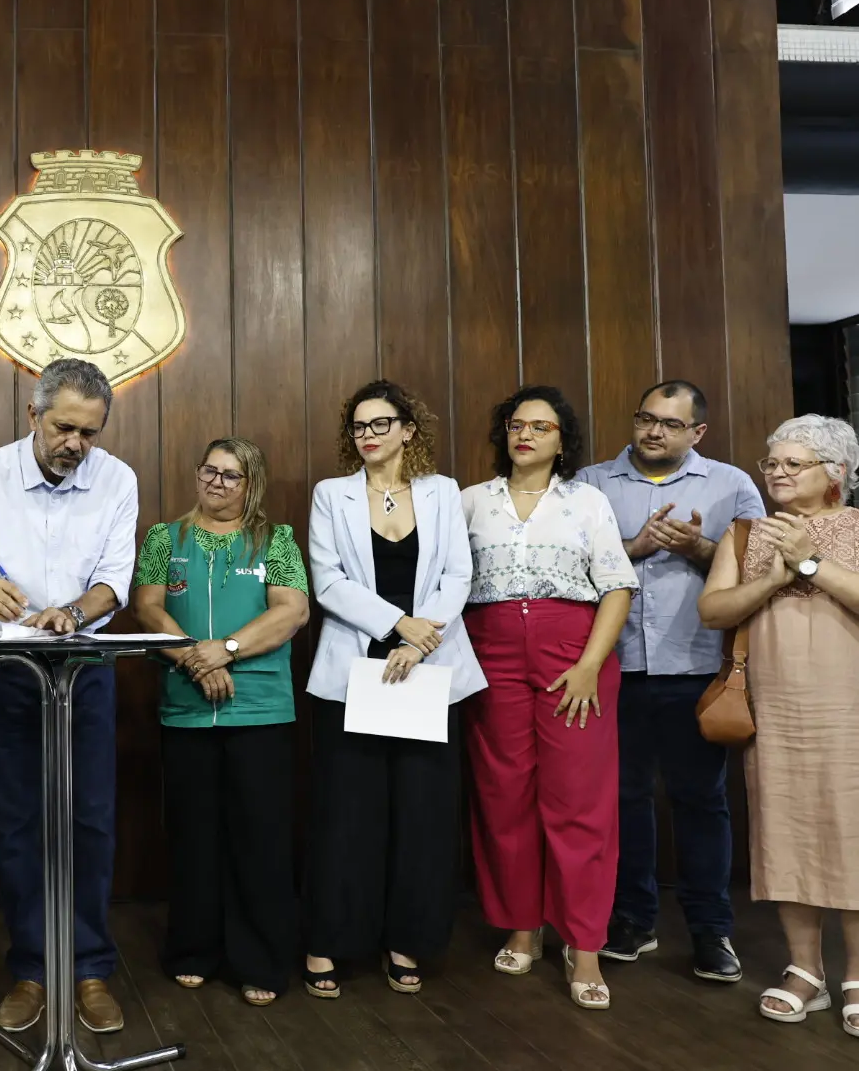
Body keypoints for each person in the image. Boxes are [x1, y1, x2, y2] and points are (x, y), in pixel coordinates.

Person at [0, 358, 139, 1034]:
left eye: (88, 433)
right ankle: (30, 969)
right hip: (9, 670)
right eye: (63, 428)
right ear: (34, 415)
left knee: (90, 820)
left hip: (82, 665)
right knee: (20, 824)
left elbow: (115, 580)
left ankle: (88, 970)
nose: (75, 445)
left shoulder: (116, 479)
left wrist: (73, 615)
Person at [303, 381, 486, 998]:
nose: (369, 436)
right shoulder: (332, 495)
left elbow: (460, 573)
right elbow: (326, 582)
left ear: (410, 429)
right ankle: (330, 941)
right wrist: (395, 624)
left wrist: (419, 638)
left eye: (381, 424)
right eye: (359, 427)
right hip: (355, 670)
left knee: (421, 816)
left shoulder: (442, 493)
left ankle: (406, 940)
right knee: (347, 815)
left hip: (427, 669)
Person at [577, 381, 762, 982]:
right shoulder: (591, 484)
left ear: (697, 433)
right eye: (646, 419)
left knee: (701, 802)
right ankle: (633, 921)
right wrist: (633, 547)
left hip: (695, 666)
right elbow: (568, 570)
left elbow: (758, 574)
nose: (654, 432)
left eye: (670, 424)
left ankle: (712, 933)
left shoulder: (731, 484)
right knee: (623, 801)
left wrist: (702, 548)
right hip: (614, 666)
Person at [461, 385, 636, 1010]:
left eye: (541, 425)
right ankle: (522, 926)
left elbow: (616, 585)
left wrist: (591, 663)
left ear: (564, 440)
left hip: (574, 656)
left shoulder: (586, 500)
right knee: (504, 794)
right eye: (515, 424)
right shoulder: (469, 502)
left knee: (579, 802)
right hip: (492, 653)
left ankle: (585, 945)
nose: (525, 434)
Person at [131, 437, 307, 1006]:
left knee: (260, 838)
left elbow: (291, 611)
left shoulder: (275, 539)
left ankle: (260, 960)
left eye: (232, 475)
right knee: (193, 836)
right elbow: (147, 608)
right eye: (210, 470)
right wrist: (193, 657)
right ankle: (194, 951)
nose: (217, 482)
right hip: (186, 709)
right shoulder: (165, 537)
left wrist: (226, 649)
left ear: (250, 484)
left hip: (259, 709)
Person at [698, 415, 859, 1035]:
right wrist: (771, 576)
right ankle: (805, 972)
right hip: (777, 707)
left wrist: (812, 563)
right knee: (785, 829)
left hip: (848, 708)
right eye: (773, 464)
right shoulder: (744, 534)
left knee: (850, 830)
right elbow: (713, 610)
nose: (778, 474)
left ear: (835, 473)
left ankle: (855, 977)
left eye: (794, 464)